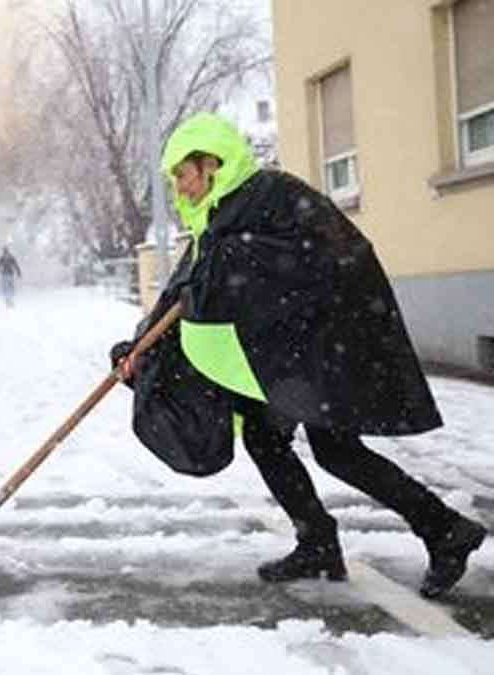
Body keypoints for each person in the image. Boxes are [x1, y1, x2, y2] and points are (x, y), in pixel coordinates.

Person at [112, 113, 485, 599]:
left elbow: (308, 261)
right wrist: (139, 345)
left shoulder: (269, 197)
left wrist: (230, 269)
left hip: (330, 342)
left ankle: (444, 530)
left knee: (335, 451)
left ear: (210, 164)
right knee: (266, 439)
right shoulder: (223, 215)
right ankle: (319, 543)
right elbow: (186, 288)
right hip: (295, 353)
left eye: (181, 175)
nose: (180, 190)